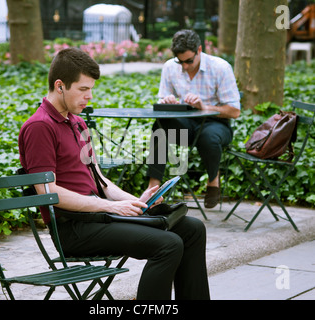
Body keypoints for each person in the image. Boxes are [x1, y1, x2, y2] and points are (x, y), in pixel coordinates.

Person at [18, 47, 210, 300]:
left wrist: (134, 201)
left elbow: (101, 180)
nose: (89, 96)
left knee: (192, 228)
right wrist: (107, 207)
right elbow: (47, 191)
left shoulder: (78, 122)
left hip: (99, 217)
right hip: (74, 228)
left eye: (91, 89)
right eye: (83, 89)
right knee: (168, 244)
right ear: (60, 85)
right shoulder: (39, 127)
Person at [146, 29, 241, 209]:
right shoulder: (170, 67)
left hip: (216, 123)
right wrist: (167, 101)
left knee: (208, 137)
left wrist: (204, 107)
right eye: (180, 61)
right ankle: (153, 188)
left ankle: (213, 181)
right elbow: (162, 98)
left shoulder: (220, 67)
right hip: (185, 123)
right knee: (160, 125)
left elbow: (235, 111)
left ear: (199, 50)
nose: (185, 67)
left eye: (189, 61)